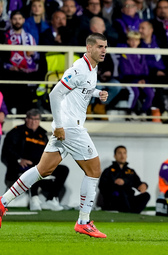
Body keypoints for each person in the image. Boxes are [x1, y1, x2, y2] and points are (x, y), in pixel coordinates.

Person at [0, 33, 109, 238]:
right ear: (89, 48)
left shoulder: (92, 68)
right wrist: (59, 125)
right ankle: (83, 221)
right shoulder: (78, 68)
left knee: (43, 169)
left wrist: (97, 93)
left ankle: (2, 202)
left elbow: (82, 88)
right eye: (100, 46)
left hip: (67, 127)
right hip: (70, 128)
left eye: (105, 47)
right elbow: (55, 94)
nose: (104, 50)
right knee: (94, 171)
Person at [1, 109, 69, 211]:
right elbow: (7, 150)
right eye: (31, 119)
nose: (34, 122)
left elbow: (48, 151)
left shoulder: (42, 134)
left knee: (63, 170)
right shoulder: (16, 132)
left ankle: (51, 199)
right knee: (35, 169)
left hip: (40, 164)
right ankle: (34, 198)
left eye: (36, 119)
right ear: (26, 119)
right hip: (22, 165)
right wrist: (19, 159)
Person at [98, 145, 150, 213]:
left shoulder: (130, 171)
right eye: (119, 153)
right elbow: (102, 186)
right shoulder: (109, 171)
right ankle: (129, 212)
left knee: (146, 195)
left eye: (124, 153)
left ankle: (133, 213)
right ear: (115, 156)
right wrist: (114, 184)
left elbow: (137, 183)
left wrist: (144, 185)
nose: (122, 155)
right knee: (120, 190)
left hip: (129, 199)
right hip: (114, 199)